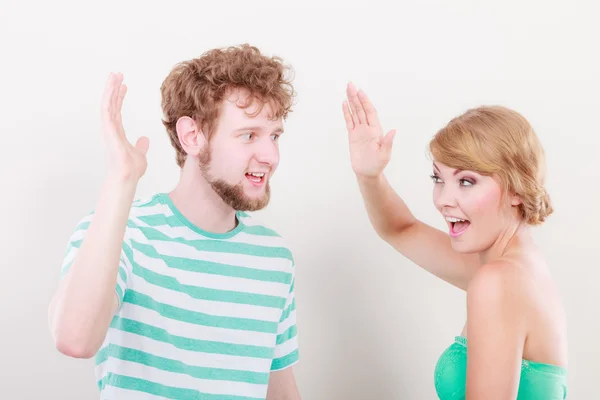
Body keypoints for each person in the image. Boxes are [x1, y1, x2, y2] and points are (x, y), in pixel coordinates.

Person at [48, 44, 301, 400]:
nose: (270, 156)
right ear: (192, 136)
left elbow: (280, 392)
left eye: (274, 135)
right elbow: (74, 338)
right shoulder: (119, 232)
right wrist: (122, 180)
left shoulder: (274, 257)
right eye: (249, 135)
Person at [342, 83, 568, 399]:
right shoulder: (515, 266)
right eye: (439, 179)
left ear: (517, 188)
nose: (443, 200)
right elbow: (402, 230)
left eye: (466, 181)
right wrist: (370, 175)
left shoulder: (497, 281)